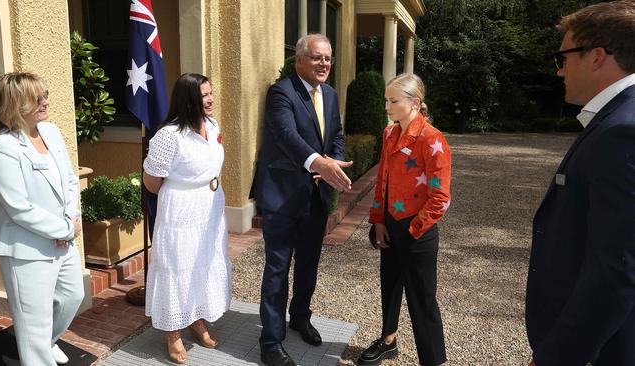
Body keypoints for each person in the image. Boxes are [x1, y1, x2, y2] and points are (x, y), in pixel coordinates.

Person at [525, 2, 635, 365]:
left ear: (597, 56)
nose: (559, 71)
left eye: (563, 57)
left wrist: (556, 356)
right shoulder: (618, 119)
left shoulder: (622, 131)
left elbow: (615, 270)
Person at [252, 33, 353, 366]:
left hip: (315, 197)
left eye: (328, 58)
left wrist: (332, 162)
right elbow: (285, 135)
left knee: (308, 264)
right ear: (299, 60)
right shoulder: (281, 92)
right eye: (317, 57)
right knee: (278, 269)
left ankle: (299, 317)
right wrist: (318, 163)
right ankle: (271, 341)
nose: (324, 63)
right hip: (282, 198)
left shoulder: (330, 94)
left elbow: (335, 137)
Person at [0, 72, 84, 365]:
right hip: (25, 248)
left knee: (72, 295)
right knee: (33, 319)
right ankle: (37, 352)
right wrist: (65, 228)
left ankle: (45, 341)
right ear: (14, 105)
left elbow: (68, 178)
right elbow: (17, 206)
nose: (45, 102)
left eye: (45, 94)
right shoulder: (1, 147)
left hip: (62, 238)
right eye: (36, 98)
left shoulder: (50, 131)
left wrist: (71, 215)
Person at [358, 73, 451, 366]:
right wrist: (379, 220)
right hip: (391, 223)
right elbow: (383, 179)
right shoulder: (389, 135)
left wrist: (412, 230)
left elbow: (440, 198)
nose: (387, 106)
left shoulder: (432, 139)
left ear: (415, 103)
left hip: (417, 231)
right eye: (387, 100)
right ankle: (388, 341)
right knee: (390, 285)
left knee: (422, 300)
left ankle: (433, 360)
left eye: (393, 101)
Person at [143, 73, 231, 364]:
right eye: (204, 94)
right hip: (180, 210)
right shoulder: (169, 136)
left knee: (202, 265)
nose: (210, 98)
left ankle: (197, 319)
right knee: (177, 267)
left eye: (210, 93)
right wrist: (181, 192)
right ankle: (173, 333)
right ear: (188, 99)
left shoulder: (213, 125)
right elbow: (152, 181)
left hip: (211, 205)